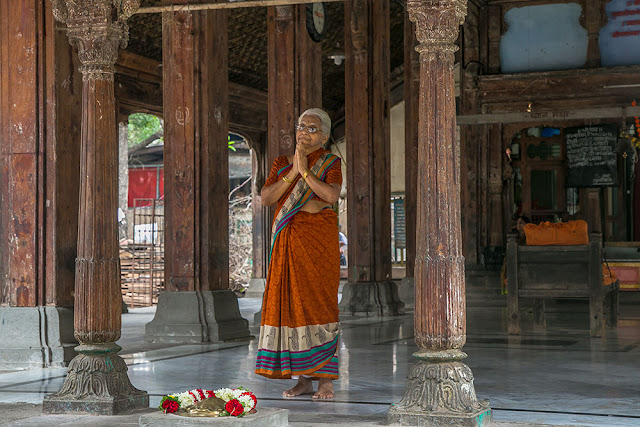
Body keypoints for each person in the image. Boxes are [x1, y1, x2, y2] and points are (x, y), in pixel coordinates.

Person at [255, 108, 342, 400]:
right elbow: (266, 198)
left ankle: (325, 380)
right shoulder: (281, 163)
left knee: (320, 305)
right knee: (292, 307)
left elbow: (330, 196)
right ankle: (304, 379)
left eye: (312, 128)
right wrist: (293, 170)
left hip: (318, 245)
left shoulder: (331, 162)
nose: (304, 131)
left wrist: (305, 171)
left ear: (325, 136)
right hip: (287, 243)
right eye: (301, 126)